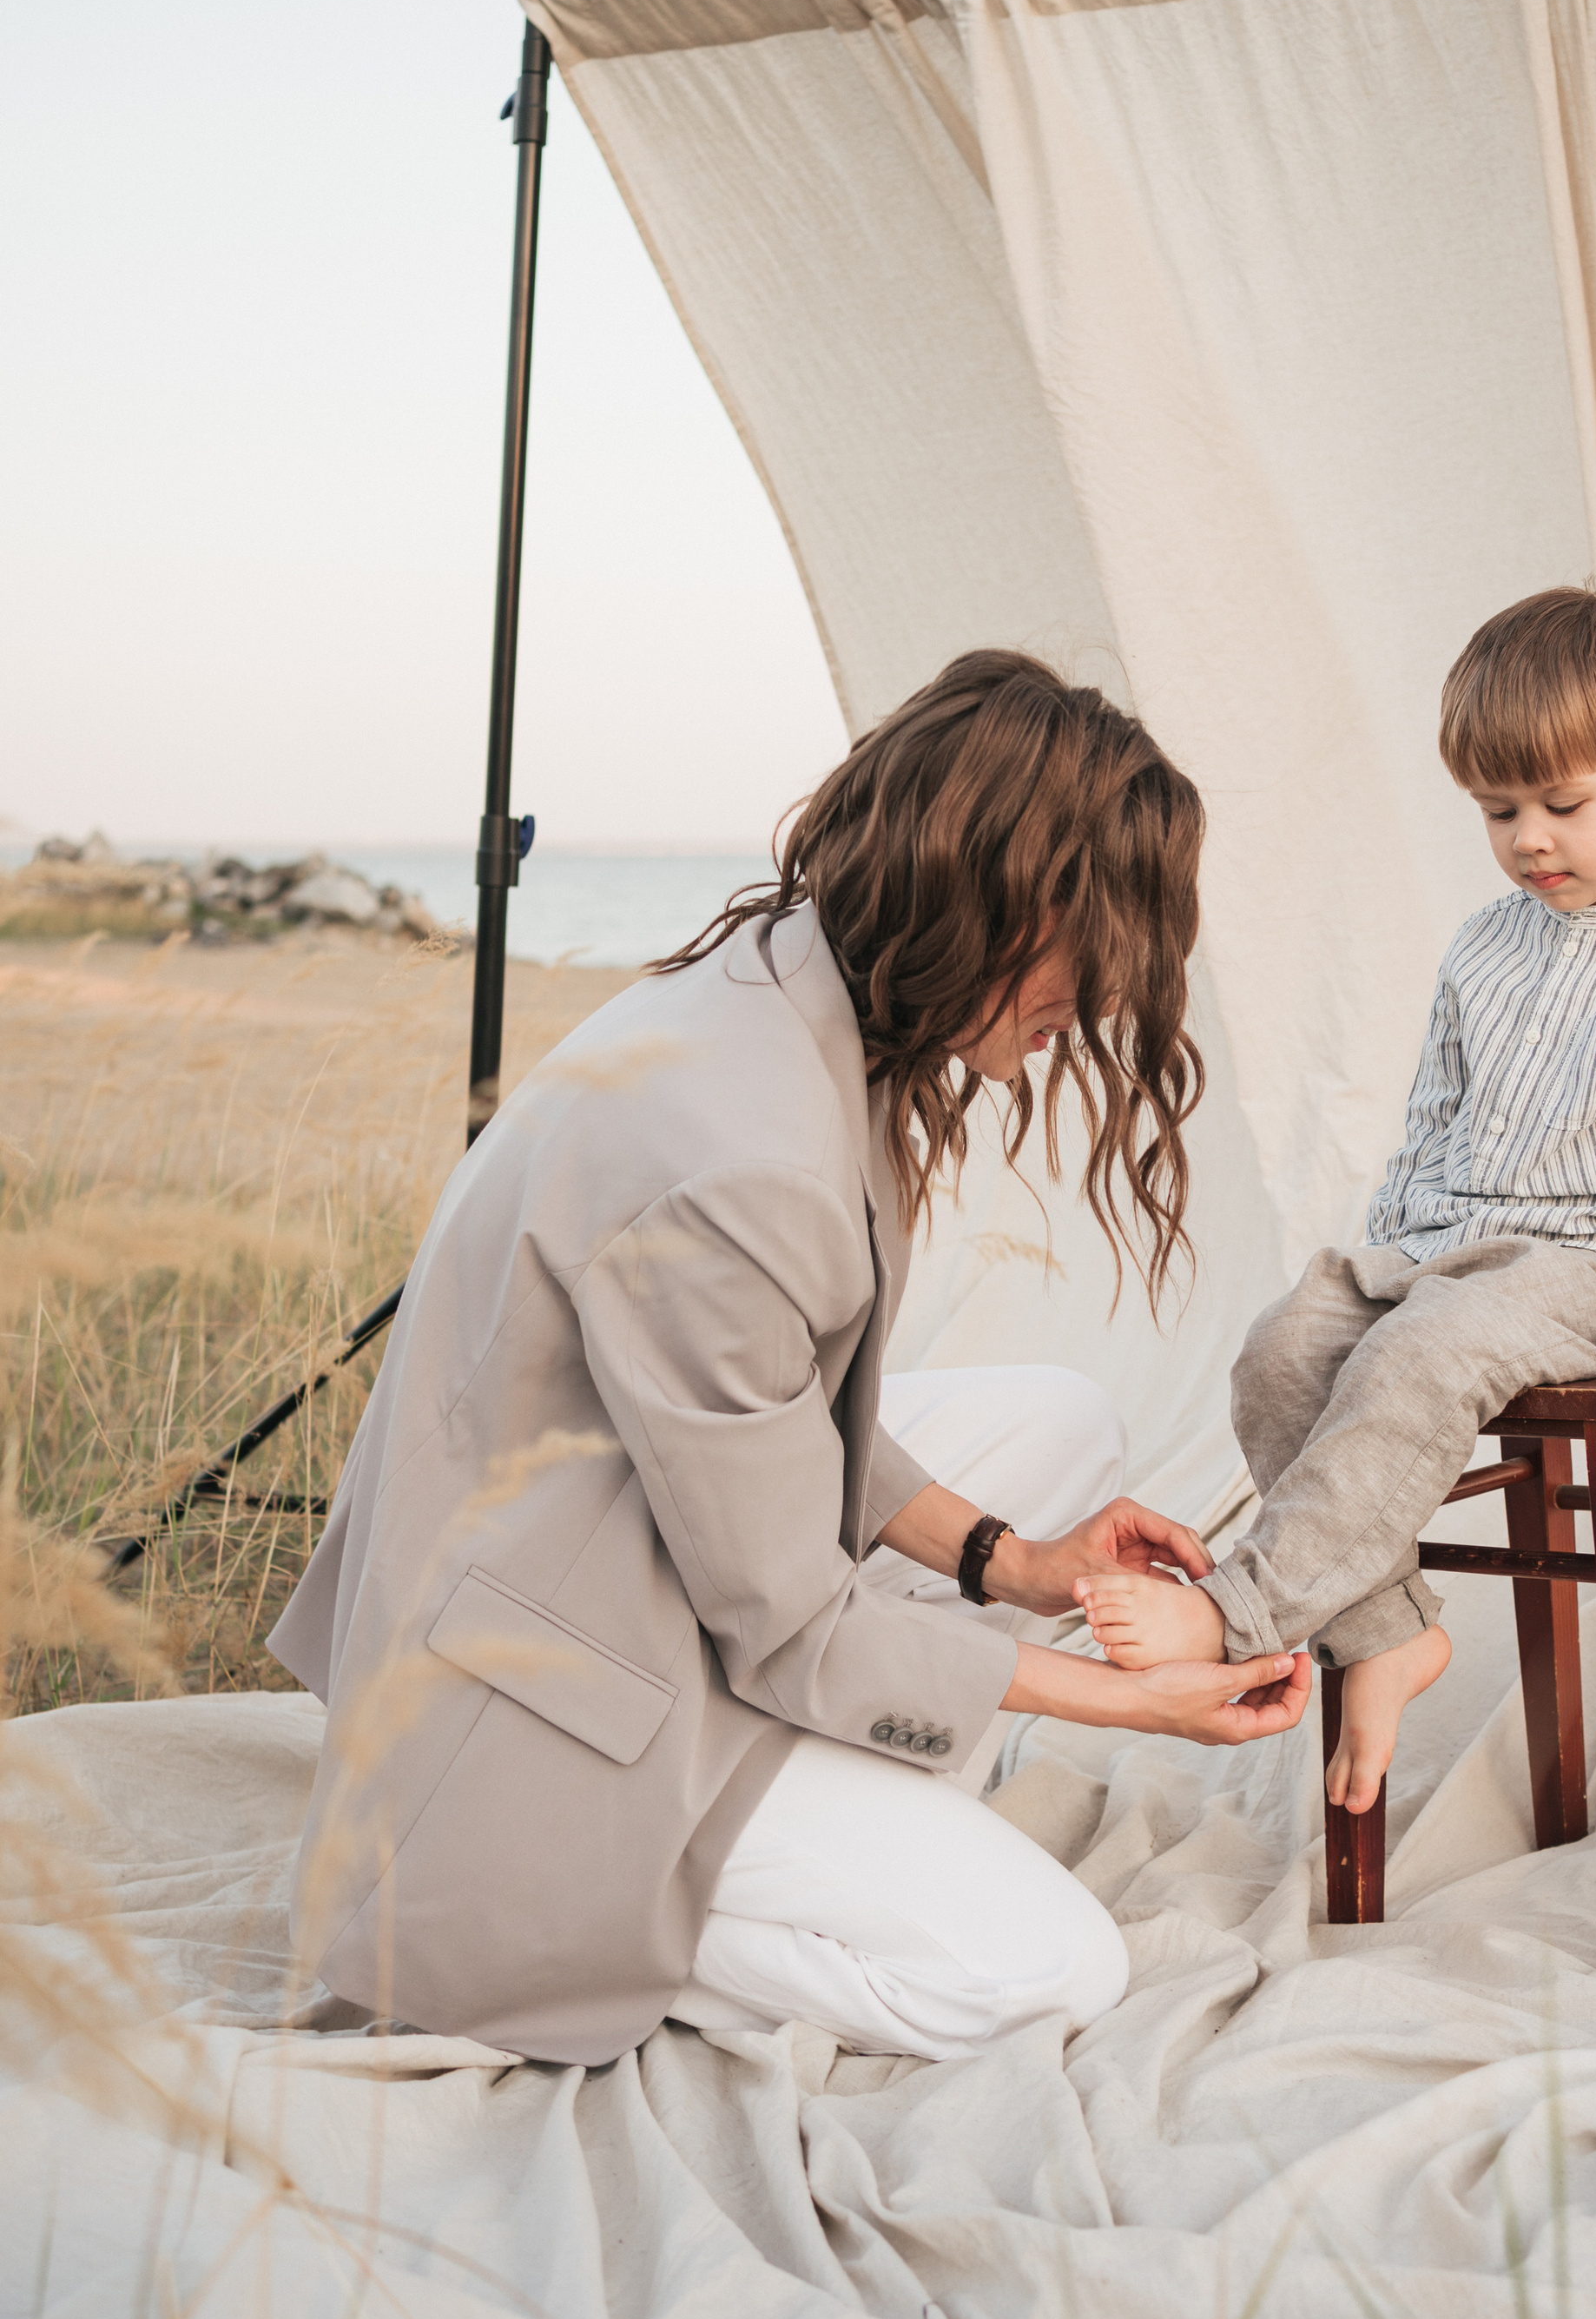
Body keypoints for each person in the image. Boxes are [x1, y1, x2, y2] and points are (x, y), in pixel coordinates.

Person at [267, 652, 1311, 2069]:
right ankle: (593, 1929)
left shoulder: (787, 988)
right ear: (988, 893)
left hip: (605, 1571)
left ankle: (857, 1808)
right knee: (1048, 1970)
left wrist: (1022, 1563)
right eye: (1098, 935)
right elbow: (794, 1629)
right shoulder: (739, 1155)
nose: (1112, 990)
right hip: (534, 1716)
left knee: (1059, 1421)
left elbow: (776, 1411)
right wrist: (1131, 1702)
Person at [1079, 578, 1596, 1827]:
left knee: (1419, 1357)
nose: (1531, 841)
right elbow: (1434, 1123)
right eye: (1499, 811)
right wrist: (1394, 1256)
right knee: (1284, 1348)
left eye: (1565, 806)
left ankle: (1236, 1609)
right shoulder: (1481, 946)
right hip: (1452, 1251)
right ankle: (1388, 1633)